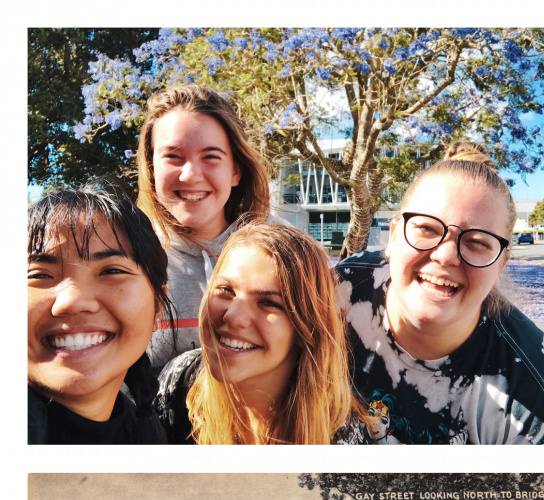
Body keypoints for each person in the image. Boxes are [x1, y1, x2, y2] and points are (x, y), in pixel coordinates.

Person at [336, 141, 544, 444]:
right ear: (394, 237)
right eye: (427, 229)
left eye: (477, 241)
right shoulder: (339, 290)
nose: (446, 256)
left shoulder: (538, 402)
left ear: (500, 265)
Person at [155, 222, 371, 444]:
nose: (233, 316)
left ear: (307, 327)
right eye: (225, 290)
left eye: (269, 302)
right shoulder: (177, 382)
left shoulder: (341, 439)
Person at [137, 84, 271, 368]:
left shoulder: (283, 254)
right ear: (151, 168)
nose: (191, 175)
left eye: (211, 157)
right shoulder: (126, 258)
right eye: (173, 157)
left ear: (235, 171)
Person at [28, 186, 174, 444]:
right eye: (40, 275)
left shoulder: (149, 433)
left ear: (158, 306)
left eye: (111, 271)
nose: (72, 301)